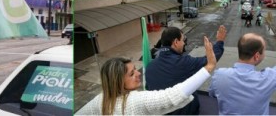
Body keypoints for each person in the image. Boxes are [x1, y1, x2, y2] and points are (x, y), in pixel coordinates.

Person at [76, 36, 217, 115]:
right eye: (132, 74)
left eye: (135, 69)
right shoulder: (134, 101)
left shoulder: (100, 100)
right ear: (118, 82)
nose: (138, 73)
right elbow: (173, 95)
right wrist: (208, 67)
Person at [145, 25, 227, 115]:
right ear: (176, 42)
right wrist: (220, 41)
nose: (184, 43)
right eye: (183, 40)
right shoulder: (183, 62)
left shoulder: (149, 67)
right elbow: (210, 61)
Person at [209, 33, 276, 115]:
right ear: (257, 56)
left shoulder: (219, 75)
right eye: (264, 51)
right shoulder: (268, 79)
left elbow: (212, 94)